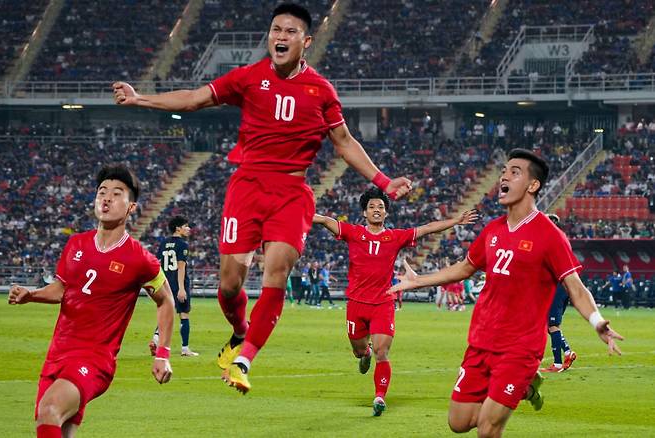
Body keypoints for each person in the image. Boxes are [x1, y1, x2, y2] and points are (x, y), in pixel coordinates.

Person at [112, 3, 411, 395]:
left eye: (289, 32)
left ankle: (244, 358)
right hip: (247, 187)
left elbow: (344, 143)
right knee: (230, 285)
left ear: (306, 42)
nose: (280, 37)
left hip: (291, 193)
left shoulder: (320, 91)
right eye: (275, 30)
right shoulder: (249, 78)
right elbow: (195, 98)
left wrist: (385, 182)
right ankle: (240, 331)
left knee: (277, 272)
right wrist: (140, 99)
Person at [390, 149, 623, 437]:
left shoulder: (550, 235)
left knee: (487, 429)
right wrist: (418, 280)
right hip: (481, 340)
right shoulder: (493, 230)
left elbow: (575, 286)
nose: (504, 175)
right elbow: (465, 268)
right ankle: (527, 387)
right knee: (458, 422)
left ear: (532, 185)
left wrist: (597, 322)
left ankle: (522, 378)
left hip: (520, 347)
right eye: (503, 170)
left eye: (514, 171)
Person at [8, 164, 174, 438]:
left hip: (94, 359)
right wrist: (31, 295)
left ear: (131, 207)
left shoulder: (139, 259)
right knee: (56, 427)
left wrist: (163, 355)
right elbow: (62, 290)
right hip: (56, 355)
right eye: (102, 192)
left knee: (49, 409)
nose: (106, 198)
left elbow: (165, 300)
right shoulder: (75, 244)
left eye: (116, 193)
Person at [313, 187, 478, 416]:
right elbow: (324, 220)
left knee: (383, 351)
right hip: (356, 304)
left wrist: (455, 221)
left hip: (383, 303)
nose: (377, 210)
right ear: (364, 212)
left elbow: (427, 228)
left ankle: (379, 396)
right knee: (360, 351)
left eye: (381, 207)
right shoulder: (353, 233)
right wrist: (299, 213)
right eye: (372, 206)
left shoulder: (395, 237)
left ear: (386, 213)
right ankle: (365, 355)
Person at [150, 216, 199, 357]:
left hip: (165, 283)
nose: (189, 229)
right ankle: (185, 349)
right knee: (184, 314)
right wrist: (182, 288)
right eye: (186, 226)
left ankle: (155, 339)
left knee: (166, 313)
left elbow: (157, 263)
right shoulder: (183, 245)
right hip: (178, 284)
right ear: (178, 228)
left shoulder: (164, 243)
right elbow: (181, 267)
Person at [541, 214, 576, 373]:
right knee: (550, 325)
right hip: (561, 286)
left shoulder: (552, 241)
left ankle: (557, 364)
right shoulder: (561, 239)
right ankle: (568, 352)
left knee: (552, 325)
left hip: (558, 286)